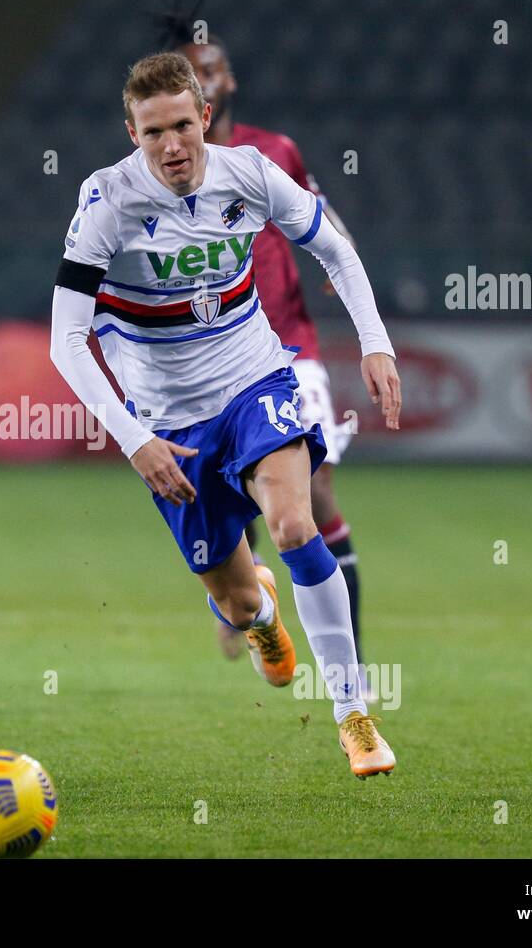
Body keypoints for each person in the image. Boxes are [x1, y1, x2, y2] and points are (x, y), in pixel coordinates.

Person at [49, 53, 401, 777]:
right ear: (132, 132)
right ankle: (260, 614)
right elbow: (66, 340)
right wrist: (134, 439)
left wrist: (376, 342)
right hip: (169, 426)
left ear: (204, 115)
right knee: (238, 604)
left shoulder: (248, 172)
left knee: (296, 524)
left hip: (254, 378)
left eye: (183, 125)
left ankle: (353, 713)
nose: (172, 147)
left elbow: (334, 248)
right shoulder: (106, 203)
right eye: (154, 134)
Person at [162, 23, 368, 669]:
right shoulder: (155, 177)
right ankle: (251, 599)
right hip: (206, 362)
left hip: (289, 346)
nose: (207, 81)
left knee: (317, 487)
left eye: (213, 69)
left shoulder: (272, 151)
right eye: (192, 73)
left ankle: (348, 660)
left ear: (227, 82)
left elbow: (320, 214)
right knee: (223, 499)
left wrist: (341, 257)